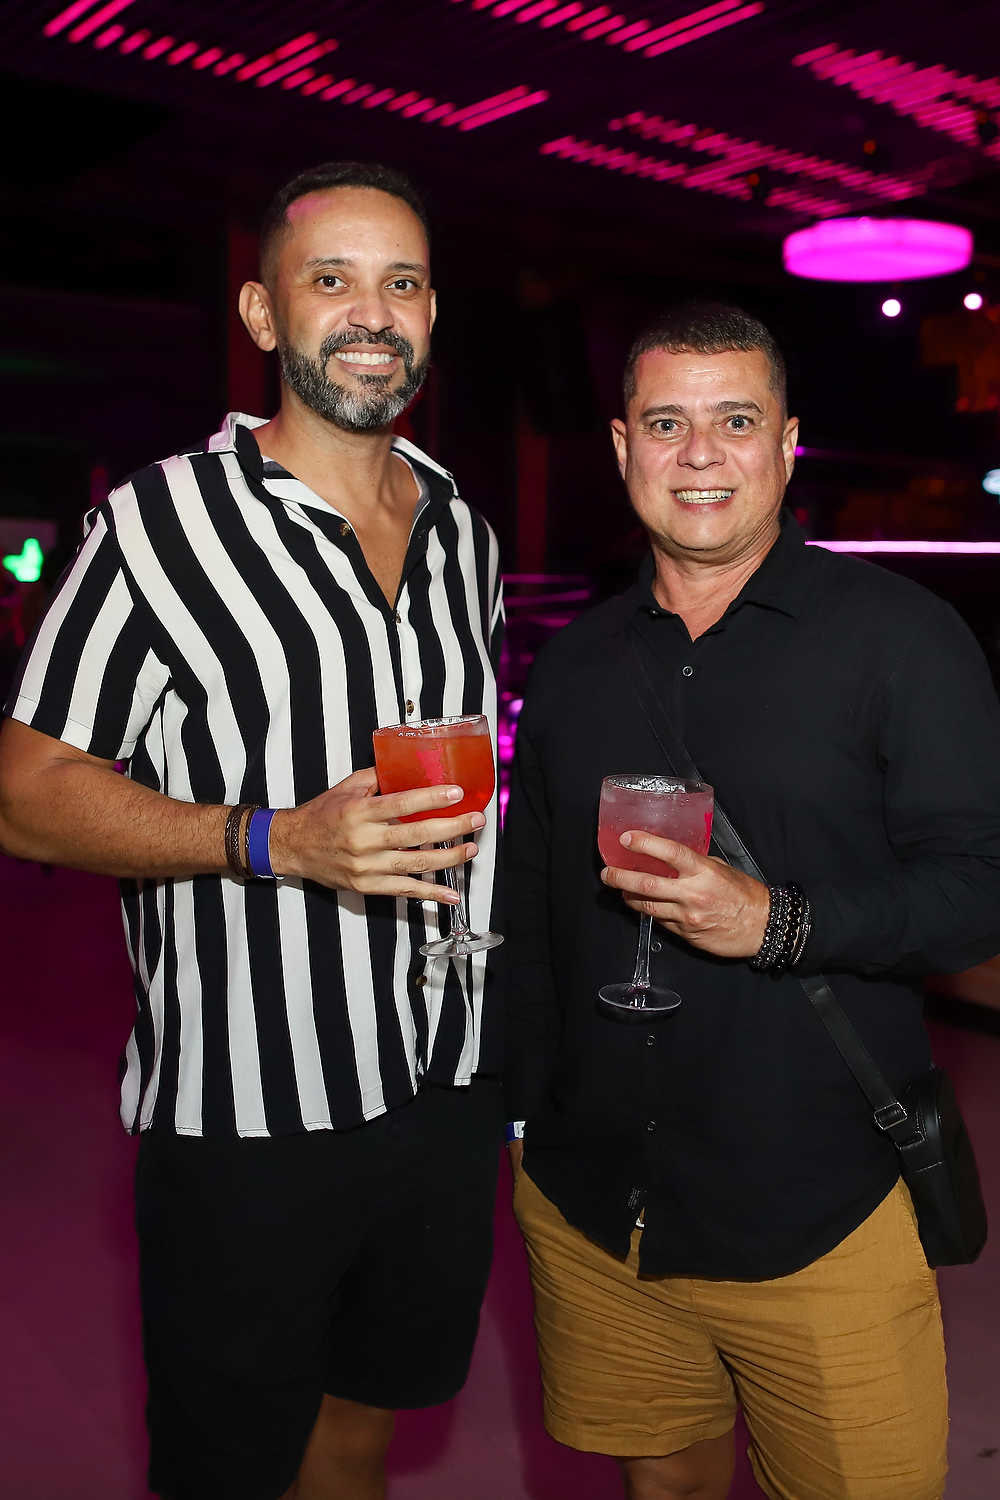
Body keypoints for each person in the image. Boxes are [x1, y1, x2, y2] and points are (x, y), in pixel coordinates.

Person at [0, 161, 504, 1500]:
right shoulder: (158, 524)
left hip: (444, 1083)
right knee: (230, 1465)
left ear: (432, 314)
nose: (372, 313)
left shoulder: (463, 531)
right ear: (264, 314)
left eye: (402, 283)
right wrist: (274, 840)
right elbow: (25, 788)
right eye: (331, 279)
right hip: (248, 1112)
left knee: (364, 1425)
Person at [503, 301, 1000, 1500]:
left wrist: (776, 923)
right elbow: (535, 908)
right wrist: (516, 1119)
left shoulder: (901, 642)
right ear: (621, 446)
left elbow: (976, 893)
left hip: (814, 1208)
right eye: (665, 423)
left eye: (735, 421)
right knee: (661, 1485)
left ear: (785, 444)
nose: (699, 454)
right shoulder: (575, 662)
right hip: (595, 1207)